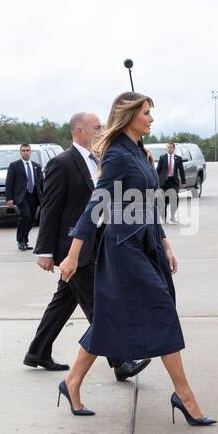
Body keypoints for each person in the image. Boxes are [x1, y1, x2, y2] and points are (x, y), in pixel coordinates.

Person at [56, 92, 212, 426]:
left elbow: (149, 202)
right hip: (124, 247)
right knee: (163, 310)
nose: (151, 119)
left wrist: (165, 242)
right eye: (146, 113)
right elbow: (96, 205)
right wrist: (72, 255)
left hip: (147, 242)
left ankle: (71, 383)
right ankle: (184, 395)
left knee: (109, 320)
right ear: (129, 116)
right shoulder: (115, 155)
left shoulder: (139, 152)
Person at [26, 112, 150, 381]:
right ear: (79, 131)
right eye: (97, 127)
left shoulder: (99, 160)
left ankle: (37, 352)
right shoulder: (62, 163)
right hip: (74, 249)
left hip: (97, 243)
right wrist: (45, 252)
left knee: (63, 302)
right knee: (101, 307)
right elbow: (50, 209)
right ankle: (121, 362)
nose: (102, 129)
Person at [4, 143, 43, 251]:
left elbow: (41, 183)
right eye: (23, 150)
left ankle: (25, 240)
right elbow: (9, 183)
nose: (25, 152)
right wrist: (9, 198)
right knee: (25, 216)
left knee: (31, 220)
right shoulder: (14, 166)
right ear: (20, 152)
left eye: (27, 150)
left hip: (34, 196)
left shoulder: (36, 166)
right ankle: (20, 240)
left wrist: (44, 197)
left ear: (30, 152)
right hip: (21, 196)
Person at [155, 142, 185, 223]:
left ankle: (172, 216)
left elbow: (181, 170)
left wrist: (183, 181)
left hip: (173, 182)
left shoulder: (178, 159)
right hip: (163, 182)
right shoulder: (162, 158)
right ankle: (163, 217)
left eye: (171, 147)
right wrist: (155, 181)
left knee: (175, 199)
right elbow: (158, 170)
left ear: (174, 148)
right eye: (168, 147)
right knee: (162, 200)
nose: (169, 149)